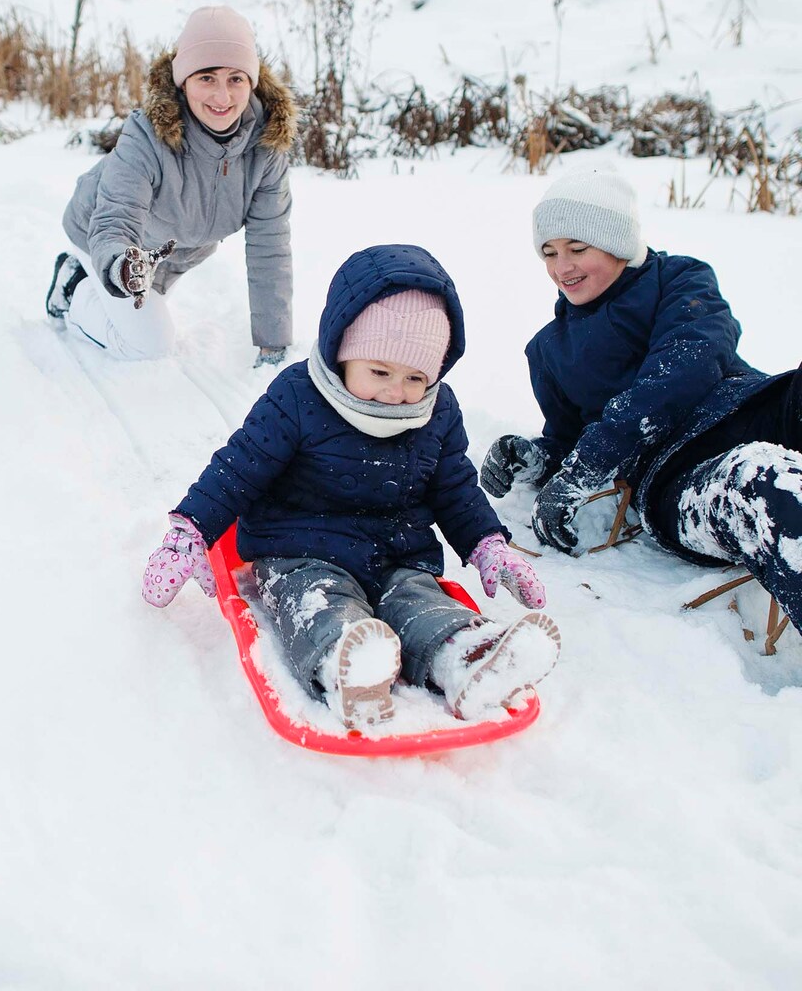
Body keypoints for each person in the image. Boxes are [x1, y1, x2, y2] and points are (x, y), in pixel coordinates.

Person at [141, 244, 561, 727]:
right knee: (316, 603)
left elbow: (456, 488)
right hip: (299, 551)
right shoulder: (297, 396)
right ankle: (348, 666)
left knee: (419, 601)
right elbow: (239, 468)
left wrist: (488, 543)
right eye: (379, 371)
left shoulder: (437, 411)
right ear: (342, 352)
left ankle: (466, 657)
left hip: (397, 556)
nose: (395, 392)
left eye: (415, 377)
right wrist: (190, 532)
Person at [481, 168, 802, 628]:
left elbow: (687, 363)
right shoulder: (549, 350)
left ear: (616, 243)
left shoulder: (681, 280)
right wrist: (536, 457)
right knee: (760, 481)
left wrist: (589, 461)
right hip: (679, 479)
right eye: (548, 253)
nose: (561, 267)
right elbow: (570, 438)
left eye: (577, 248)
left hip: (758, 409)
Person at [46, 5, 295, 365]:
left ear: (252, 82)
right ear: (183, 80)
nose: (223, 97)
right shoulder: (147, 135)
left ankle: (105, 287)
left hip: (172, 252)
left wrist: (274, 345)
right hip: (106, 239)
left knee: (147, 312)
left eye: (235, 78)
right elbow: (115, 218)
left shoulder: (266, 146)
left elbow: (269, 245)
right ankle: (71, 289)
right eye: (206, 78)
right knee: (148, 344)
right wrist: (120, 267)